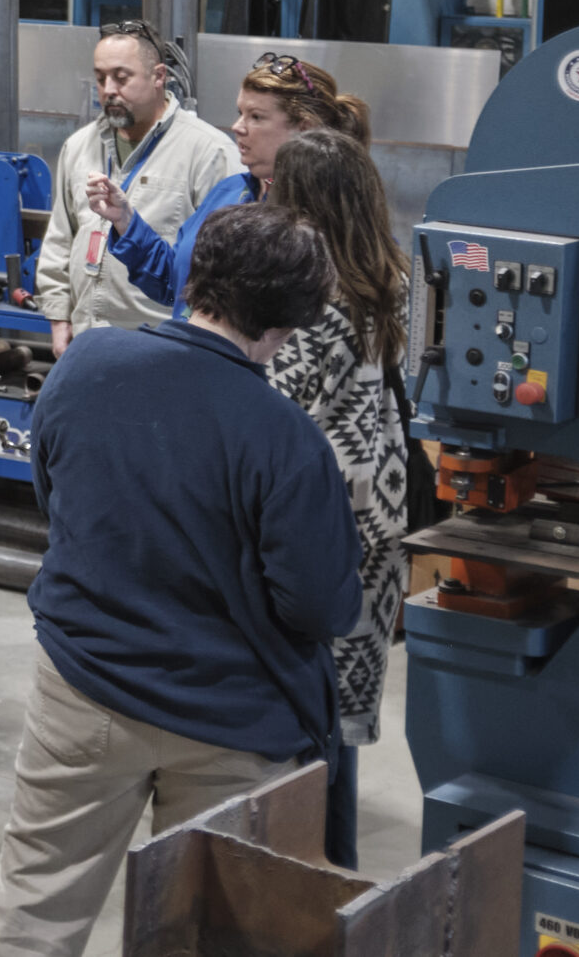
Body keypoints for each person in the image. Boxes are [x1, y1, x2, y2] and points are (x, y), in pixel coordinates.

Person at [0, 204, 361, 957]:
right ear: (287, 325)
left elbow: (55, 496)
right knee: (203, 934)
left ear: (194, 277)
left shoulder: (87, 362)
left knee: (31, 916)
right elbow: (320, 605)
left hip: (85, 687)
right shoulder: (286, 438)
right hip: (230, 720)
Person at [261, 129, 412, 871]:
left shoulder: (309, 300)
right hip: (378, 518)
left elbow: (271, 405)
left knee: (299, 731)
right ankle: (340, 883)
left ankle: (307, 888)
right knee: (339, 728)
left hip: (318, 522)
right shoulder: (386, 281)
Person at [87, 51, 368, 318]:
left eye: (256, 117)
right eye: (240, 113)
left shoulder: (325, 214)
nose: (238, 127)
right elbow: (177, 283)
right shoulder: (230, 191)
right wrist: (126, 221)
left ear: (303, 129)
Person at [36, 22, 238, 356]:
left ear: (159, 76)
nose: (108, 90)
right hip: (87, 344)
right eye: (101, 78)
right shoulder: (80, 146)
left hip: (164, 350)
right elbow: (60, 238)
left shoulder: (208, 152)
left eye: (121, 77)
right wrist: (59, 319)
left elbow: (224, 269)